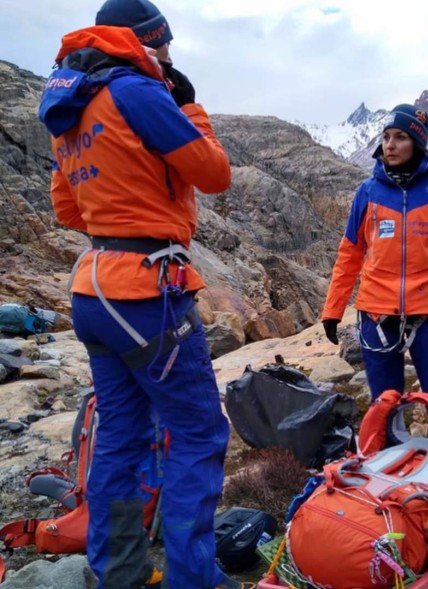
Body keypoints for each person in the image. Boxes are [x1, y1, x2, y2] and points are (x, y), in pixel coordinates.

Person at [38, 1, 253, 588]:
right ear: (148, 40)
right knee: (199, 432)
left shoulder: (72, 104)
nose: (169, 55)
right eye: (165, 44)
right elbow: (213, 173)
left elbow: (64, 208)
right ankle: (193, 578)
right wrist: (189, 108)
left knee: (122, 436)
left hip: (94, 287)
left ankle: (119, 573)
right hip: (146, 291)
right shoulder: (136, 90)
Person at [321, 104, 428, 457]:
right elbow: (350, 253)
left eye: (400, 137)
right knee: (384, 409)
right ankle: (385, 487)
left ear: (418, 144)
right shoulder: (368, 192)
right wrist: (332, 309)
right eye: (386, 137)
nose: (389, 145)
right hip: (377, 315)